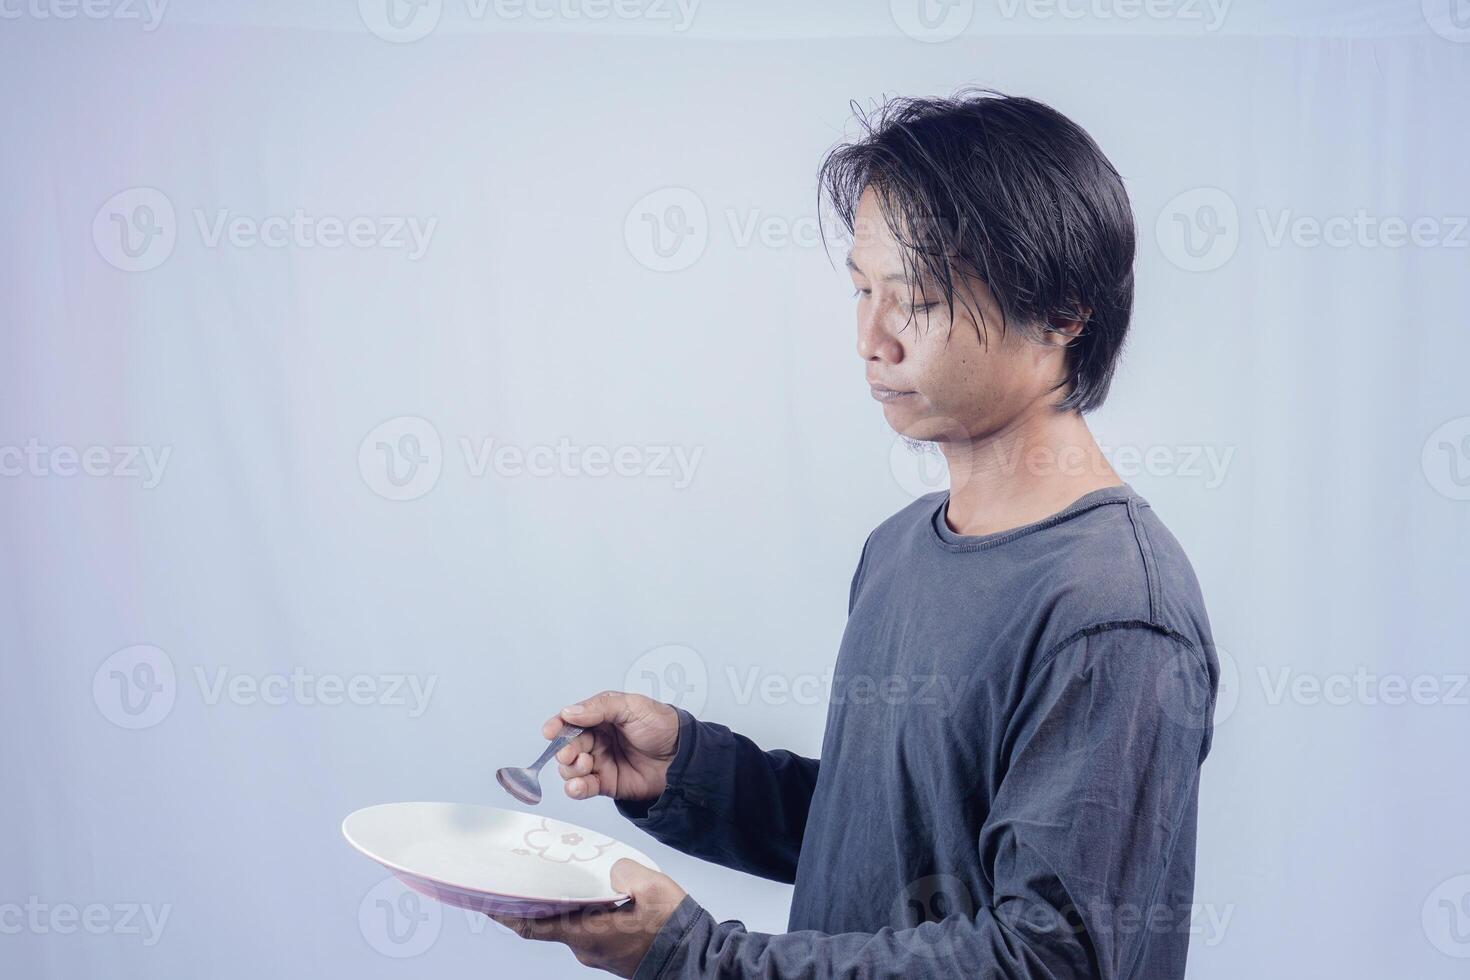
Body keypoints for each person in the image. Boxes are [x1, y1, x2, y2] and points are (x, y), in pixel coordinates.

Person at [491, 88, 1220, 980]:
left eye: (916, 297)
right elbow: (898, 848)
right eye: (861, 289)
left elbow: (1047, 961)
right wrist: (690, 771)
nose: (871, 338)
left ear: (1064, 312)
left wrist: (696, 958)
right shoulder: (901, 546)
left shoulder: (1114, 611)